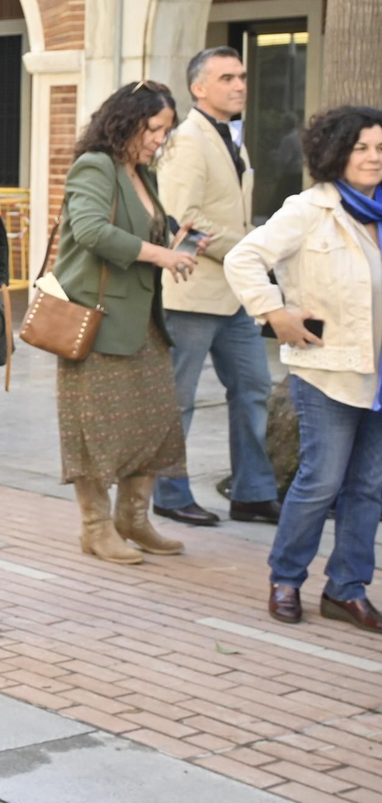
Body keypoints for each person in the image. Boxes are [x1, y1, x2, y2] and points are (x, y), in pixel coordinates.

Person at [225, 105, 382, 633]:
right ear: (335, 151)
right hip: (328, 370)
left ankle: (347, 588)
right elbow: (242, 258)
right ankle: (286, 578)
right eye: (361, 147)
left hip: (379, 373)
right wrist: (274, 312)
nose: (373, 157)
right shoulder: (308, 209)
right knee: (321, 481)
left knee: (369, 487)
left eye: (380, 148)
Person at [53, 82, 200, 564]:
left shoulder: (141, 173)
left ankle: (134, 518)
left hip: (143, 322)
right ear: (127, 122)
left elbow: (141, 227)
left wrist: (183, 239)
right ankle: (95, 527)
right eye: (155, 128)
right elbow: (93, 229)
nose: (161, 138)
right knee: (94, 431)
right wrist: (161, 254)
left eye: (166, 130)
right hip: (97, 322)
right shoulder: (95, 166)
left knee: (153, 424)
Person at [154, 46, 280, 526]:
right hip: (191, 292)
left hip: (234, 296)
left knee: (253, 388)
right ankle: (169, 493)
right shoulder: (187, 140)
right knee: (179, 398)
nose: (240, 85)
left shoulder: (233, 139)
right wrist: (249, 248)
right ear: (198, 88)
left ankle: (252, 492)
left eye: (242, 76)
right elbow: (182, 220)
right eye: (227, 77)